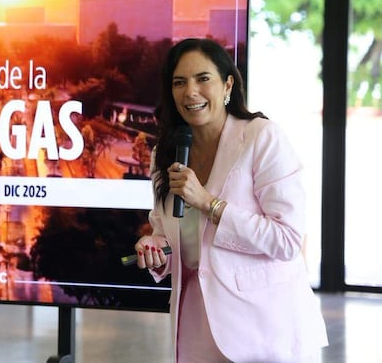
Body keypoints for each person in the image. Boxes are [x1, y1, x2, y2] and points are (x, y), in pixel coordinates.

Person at [134, 38, 327, 362]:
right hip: (197, 325)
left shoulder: (262, 137)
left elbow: (287, 240)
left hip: (265, 329)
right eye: (179, 82)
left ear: (227, 85)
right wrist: (155, 249)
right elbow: (169, 237)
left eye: (202, 79)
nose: (190, 91)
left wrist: (210, 203)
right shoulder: (165, 151)